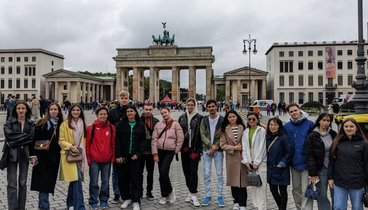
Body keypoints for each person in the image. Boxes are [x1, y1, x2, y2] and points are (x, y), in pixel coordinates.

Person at [328, 118, 368, 210]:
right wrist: (330, 177)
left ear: (356, 128)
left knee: (357, 207)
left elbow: (366, 163)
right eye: (346, 126)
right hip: (339, 181)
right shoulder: (337, 142)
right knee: (338, 207)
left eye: (351, 126)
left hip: (357, 182)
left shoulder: (364, 143)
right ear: (343, 128)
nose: (348, 128)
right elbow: (332, 161)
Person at [30, 102, 63, 210]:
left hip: (54, 158)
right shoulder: (41, 123)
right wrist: (33, 155)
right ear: (48, 111)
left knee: (49, 182)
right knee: (43, 183)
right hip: (42, 157)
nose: (53, 111)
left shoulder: (62, 124)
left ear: (59, 111)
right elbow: (33, 140)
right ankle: (44, 207)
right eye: (51, 109)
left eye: (55, 109)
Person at [3, 100, 35, 210]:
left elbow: (31, 139)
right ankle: (12, 208)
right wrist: (24, 137)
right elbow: (9, 136)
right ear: (15, 110)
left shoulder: (31, 123)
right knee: (12, 183)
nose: (21, 110)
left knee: (23, 183)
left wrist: (13, 141)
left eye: (23, 108)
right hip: (11, 154)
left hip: (24, 155)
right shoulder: (9, 122)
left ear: (27, 110)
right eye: (19, 108)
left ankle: (21, 208)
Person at [284, 103, 314, 210]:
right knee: (296, 189)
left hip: (307, 163)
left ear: (299, 110)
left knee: (306, 188)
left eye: (295, 110)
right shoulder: (287, 127)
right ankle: (298, 207)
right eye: (291, 111)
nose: (294, 113)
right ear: (289, 113)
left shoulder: (310, 124)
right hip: (294, 163)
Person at [152, 107, 184, 205]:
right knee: (162, 175)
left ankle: (169, 191)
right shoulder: (158, 124)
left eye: (165, 112)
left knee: (163, 172)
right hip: (160, 151)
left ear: (169, 112)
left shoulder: (175, 124)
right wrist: (155, 153)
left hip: (169, 152)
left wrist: (176, 150)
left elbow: (180, 138)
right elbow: (154, 139)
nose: (164, 114)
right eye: (162, 113)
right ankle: (164, 195)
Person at [115, 105, 145, 210]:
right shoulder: (121, 124)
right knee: (123, 178)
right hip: (123, 155)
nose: (129, 113)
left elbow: (143, 141)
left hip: (135, 156)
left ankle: (136, 200)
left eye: (131, 111)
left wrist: (138, 154)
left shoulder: (140, 124)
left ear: (135, 112)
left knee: (135, 178)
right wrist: (118, 155)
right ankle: (126, 198)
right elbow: (117, 141)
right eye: (127, 111)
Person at [304, 113, 336, 209]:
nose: (326, 123)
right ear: (319, 121)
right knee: (322, 194)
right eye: (324, 120)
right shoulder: (312, 136)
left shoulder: (334, 134)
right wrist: (313, 173)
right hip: (320, 168)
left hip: (334, 168)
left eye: (328, 121)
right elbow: (309, 156)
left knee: (336, 193)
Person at [59, 103, 88, 210]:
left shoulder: (84, 124)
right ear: (70, 111)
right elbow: (61, 141)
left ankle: (70, 203)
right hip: (69, 155)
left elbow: (85, 140)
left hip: (80, 155)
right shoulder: (65, 124)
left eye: (78, 110)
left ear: (81, 112)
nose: (76, 112)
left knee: (75, 180)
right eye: (73, 110)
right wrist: (70, 146)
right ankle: (79, 207)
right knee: (77, 179)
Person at [86, 107, 116, 209]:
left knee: (106, 182)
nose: (103, 116)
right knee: (94, 182)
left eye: (105, 114)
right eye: (101, 114)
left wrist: (112, 158)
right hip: (95, 160)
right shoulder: (92, 127)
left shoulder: (111, 128)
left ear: (107, 115)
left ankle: (104, 200)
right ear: (97, 115)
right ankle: (93, 201)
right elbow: (88, 144)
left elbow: (113, 144)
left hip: (107, 160)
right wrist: (89, 159)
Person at [219, 110, 247, 210]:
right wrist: (234, 148)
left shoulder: (242, 127)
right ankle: (236, 202)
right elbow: (222, 145)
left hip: (242, 157)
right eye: (230, 117)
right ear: (227, 118)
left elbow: (246, 140)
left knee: (242, 183)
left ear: (237, 117)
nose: (232, 118)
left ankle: (243, 204)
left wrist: (242, 147)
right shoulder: (224, 129)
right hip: (231, 158)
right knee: (233, 182)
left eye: (233, 116)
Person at [178, 98, 203, 207]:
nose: (190, 106)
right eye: (188, 104)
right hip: (184, 149)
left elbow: (201, 135)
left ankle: (193, 194)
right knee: (186, 171)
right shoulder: (181, 117)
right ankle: (190, 191)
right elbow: (178, 133)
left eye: (192, 105)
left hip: (194, 149)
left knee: (193, 171)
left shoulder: (200, 118)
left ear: (195, 105)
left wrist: (200, 150)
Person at [200, 99, 225, 207]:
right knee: (206, 174)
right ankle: (208, 195)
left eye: (213, 106)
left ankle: (220, 196)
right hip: (207, 149)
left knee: (219, 174)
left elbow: (224, 135)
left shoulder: (222, 120)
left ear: (216, 107)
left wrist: (216, 146)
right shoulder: (204, 119)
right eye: (209, 107)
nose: (211, 108)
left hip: (218, 150)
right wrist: (211, 145)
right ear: (207, 108)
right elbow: (202, 134)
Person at [266, 117, 294, 210]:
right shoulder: (268, 137)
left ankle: (282, 208)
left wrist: (283, 162)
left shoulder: (283, 137)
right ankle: (281, 207)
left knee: (282, 190)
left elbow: (289, 152)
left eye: (275, 125)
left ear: (279, 126)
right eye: (271, 124)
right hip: (271, 168)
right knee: (273, 189)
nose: (273, 127)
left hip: (281, 168)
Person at [241, 111, 267, 210]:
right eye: (249, 119)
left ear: (257, 120)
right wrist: (246, 161)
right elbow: (245, 148)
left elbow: (262, 148)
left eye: (253, 119)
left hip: (260, 161)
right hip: (249, 161)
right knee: (253, 184)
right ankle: (256, 206)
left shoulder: (261, 130)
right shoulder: (245, 131)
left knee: (261, 186)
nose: (251, 121)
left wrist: (256, 163)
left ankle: (262, 207)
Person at [108, 90, 130, 203]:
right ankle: (117, 193)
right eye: (122, 98)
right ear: (119, 99)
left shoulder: (132, 111)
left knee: (128, 170)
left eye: (126, 98)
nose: (124, 99)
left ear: (128, 99)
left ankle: (128, 193)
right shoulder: (112, 112)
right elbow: (108, 127)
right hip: (115, 145)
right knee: (115, 171)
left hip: (128, 145)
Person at [140, 103, 159, 200]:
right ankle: (139, 191)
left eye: (150, 109)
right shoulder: (138, 120)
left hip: (151, 151)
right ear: (143, 110)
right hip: (140, 151)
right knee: (139, 173)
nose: (148, 111)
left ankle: (149, 191)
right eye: (146, 109)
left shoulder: (156, 121)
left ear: (152, 110)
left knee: (150, 173)